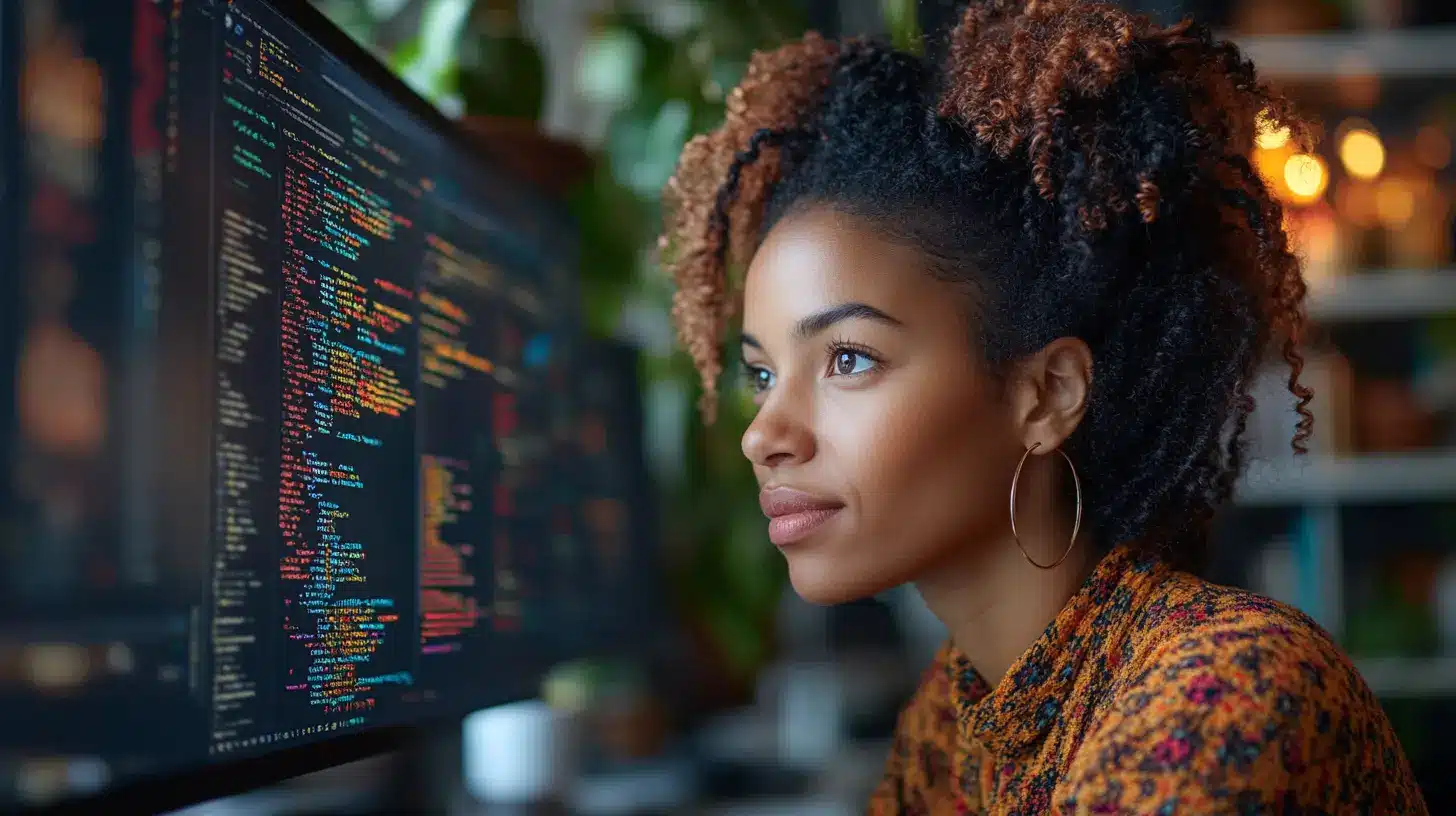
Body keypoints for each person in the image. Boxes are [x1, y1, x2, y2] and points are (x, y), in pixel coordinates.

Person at [657, 0, 1427, 813]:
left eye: (847, 359)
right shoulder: (949, 721)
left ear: (1047, 395)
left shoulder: (1223, 696)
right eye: (763, 375)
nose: (763, 436)